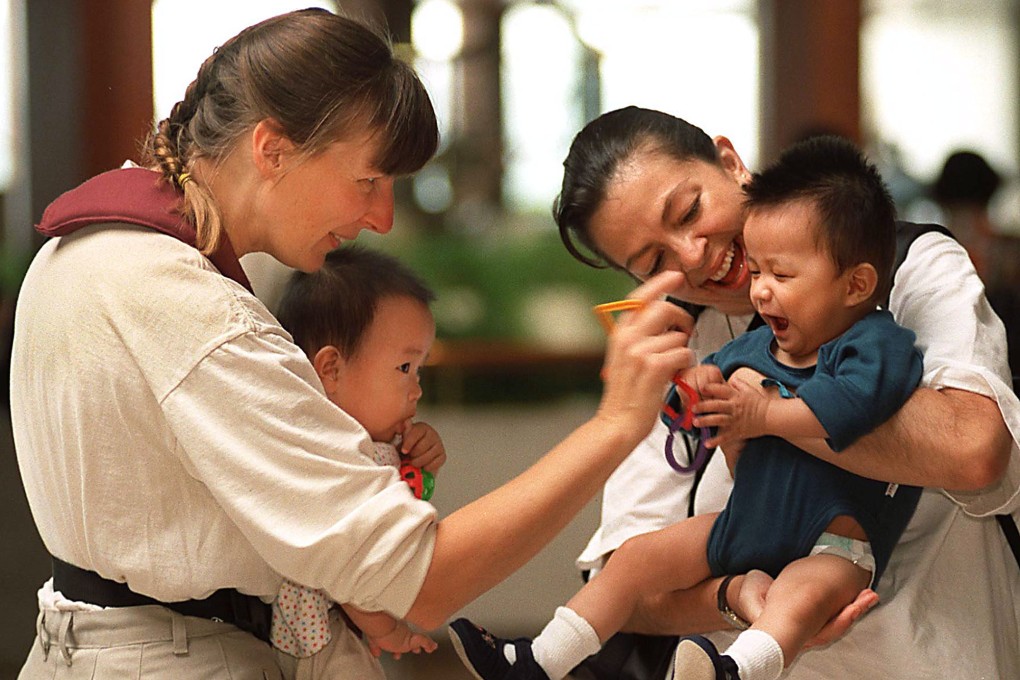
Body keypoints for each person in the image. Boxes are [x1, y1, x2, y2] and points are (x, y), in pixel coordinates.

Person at [10, 12, 695, 678]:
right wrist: (616, 424)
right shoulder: (188, 306)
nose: (381, 216)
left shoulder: (91, 248)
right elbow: (418, 580)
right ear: (272, 148)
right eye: (368, 180)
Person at [552, 107, 1020, 679]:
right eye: (655, 261)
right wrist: (733, 596)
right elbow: (622, 580)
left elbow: (975, 448)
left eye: (690, 210)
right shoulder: (679, 350)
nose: (693, 254)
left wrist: (763, 404)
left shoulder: (898, 268)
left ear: (729, 163)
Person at [448, 136, 924, 680]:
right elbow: (702, 387)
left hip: (832, 539)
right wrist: (693, 386)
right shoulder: (753, 341)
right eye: (654, 261)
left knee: (796, 598)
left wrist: (763, 414)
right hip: (746, 522)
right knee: (633, 561)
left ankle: (737, 671)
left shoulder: (874, 341)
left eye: (782, 275)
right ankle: (539, 660)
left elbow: (856, 406)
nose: (761, 293)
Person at [271, 245, 444, 678]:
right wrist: (388, 631)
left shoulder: (373, 443)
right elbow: (349, 570)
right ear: (330, 369)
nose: (416, 389)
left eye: (419, 370)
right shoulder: (327, 452)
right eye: (405, 367)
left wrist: (422, 465)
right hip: (315, 639)